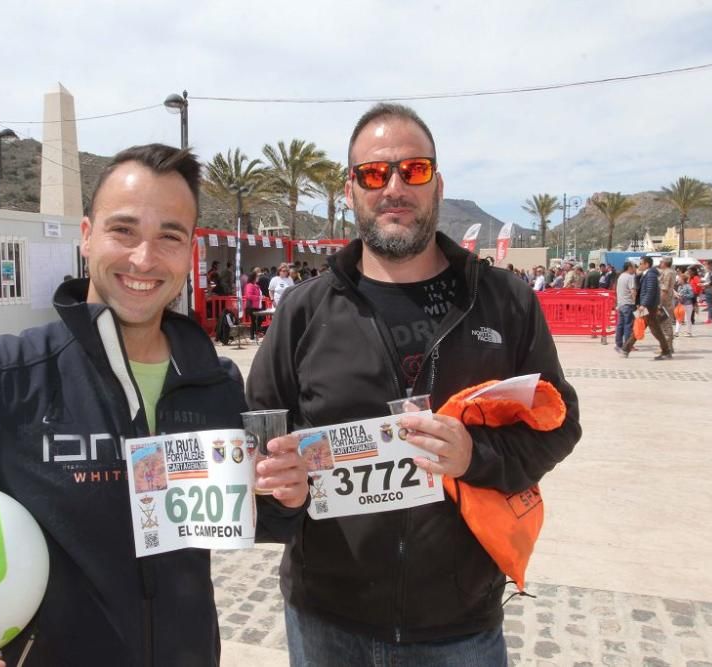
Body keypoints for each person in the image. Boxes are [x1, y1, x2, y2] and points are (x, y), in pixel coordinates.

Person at [0, 145, 309, 667]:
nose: (144, 258)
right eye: (124, 230)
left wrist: (283, 497)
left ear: (189, 252)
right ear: (87, 236)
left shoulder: (214, 381)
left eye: (169, 236)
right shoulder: (8, 379)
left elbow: (245, 516)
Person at [246, 103, 580, 666]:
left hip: (459, 625)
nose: (394, 186)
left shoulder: (504, 301)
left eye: (414, 170)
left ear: (438, 185)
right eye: (374, 174)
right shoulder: (304, 311)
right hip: (326, 620)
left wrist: (476, 455)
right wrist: (281, 491)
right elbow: (257, 441)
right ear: (350, 190)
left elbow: (559, 424)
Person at [622, 256, 673, 360]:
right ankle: (626, 348)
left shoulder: (651, 275)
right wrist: (637, 276)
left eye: (641, 263)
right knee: (640, 326)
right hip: (645, 306)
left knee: (655, 330)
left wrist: (643, 304)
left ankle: (666, 351)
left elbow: (650, 291)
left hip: (648, 307)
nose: (639, 265)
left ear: (647, 264)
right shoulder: (646, 274)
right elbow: (641, 288)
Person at [615, 261, 637, 352]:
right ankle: (628, 345)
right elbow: (633, 291)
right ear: (629, 268)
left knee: (620, 325)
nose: (635, 269)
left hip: (621, 304)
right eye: (633, 267)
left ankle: (618, 344)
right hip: (628, 304)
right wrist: (636, 301)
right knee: (628, 325)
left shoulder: (621, 276)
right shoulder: (630, 277)